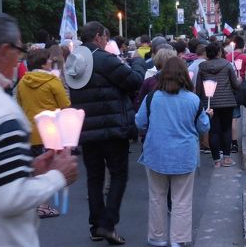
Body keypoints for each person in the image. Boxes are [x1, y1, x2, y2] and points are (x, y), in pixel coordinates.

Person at [0, 12, 78, 247]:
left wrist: (27, 172)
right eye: (19, 50)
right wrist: (57, 177)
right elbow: (10, 198)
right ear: (4, 51)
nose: (19, 59)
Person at [65, 21, 145, 244]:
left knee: (95, 177)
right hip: (112, 127)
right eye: (106, 38)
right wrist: (137, 63)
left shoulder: (73, 60)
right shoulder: (103, 59)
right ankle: (108, 224)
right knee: (118, 175)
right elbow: (134, 81)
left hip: (88, 128)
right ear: (99, 36)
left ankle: (96, 225)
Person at [135, 57, 212, 247]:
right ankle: (179, 238)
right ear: (185, 75)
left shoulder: (151, 98)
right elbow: (203, 127)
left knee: (157, 196)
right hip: (184, 155)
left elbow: (139, 122)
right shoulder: (193, 100)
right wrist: (208, 116)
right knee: (182, 200)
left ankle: (157, 236)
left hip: (155, 153)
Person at [15, 48, 72, 218]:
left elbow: (18, 103)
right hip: (50, 131)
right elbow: (65, 104)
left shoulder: (22, 82)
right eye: (48, 60)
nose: (50, 62)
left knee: (34, 168)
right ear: (43, 63)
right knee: (49, 168)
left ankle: (36, 203)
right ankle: (44, 205)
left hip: (30, 131)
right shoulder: (53, 81)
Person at [196, 42, 241, 167]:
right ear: (219, 52)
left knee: (213, 131)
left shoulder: (202, 67)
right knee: (226, 129)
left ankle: (216, 160)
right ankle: (226, 158)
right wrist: (239, 81)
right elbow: (236, 85)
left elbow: (198, 88)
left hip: (210, 103)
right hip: (227, 102)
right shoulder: (227, 65)